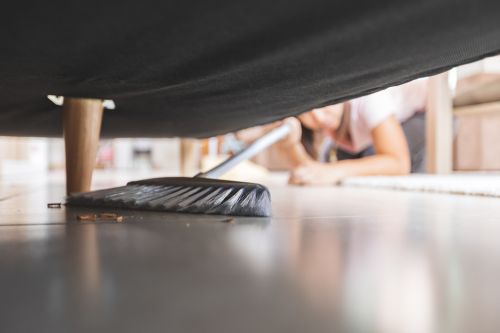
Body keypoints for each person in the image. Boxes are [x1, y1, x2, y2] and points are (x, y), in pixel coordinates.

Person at [288, 78, 428, 185]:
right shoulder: (328, 124)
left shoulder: (369, 97)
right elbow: (311, 170)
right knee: (337, 158)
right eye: (306, 114)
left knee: (370, 156)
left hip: (430, 111)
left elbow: (399, 163)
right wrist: (290, 145)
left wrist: (335, 170)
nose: (318, 118)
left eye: (320, 105)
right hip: (390, 119)